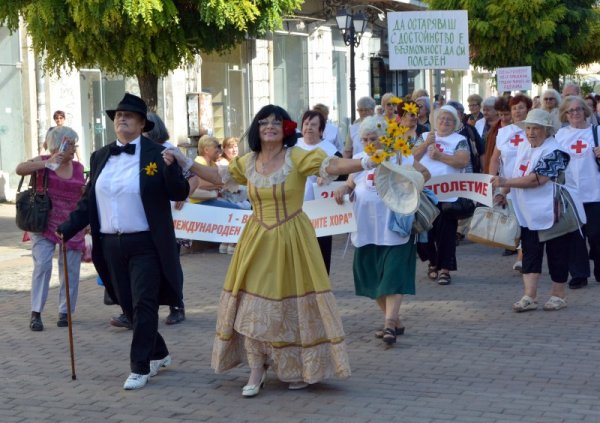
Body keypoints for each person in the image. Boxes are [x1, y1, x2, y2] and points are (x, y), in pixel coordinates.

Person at [166, 104, 381, 397]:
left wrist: (366, 162)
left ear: (286, 129)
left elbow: (332, 166)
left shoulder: (297, 157)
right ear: (257, 128)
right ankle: (257, 366)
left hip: (293, 238)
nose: (269, 126)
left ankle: (295, 366)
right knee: (253, 306)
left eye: (276, 122)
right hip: (256, 240)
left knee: (291, 306)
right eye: (264, 122)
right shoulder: (249, 161)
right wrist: (184, 160)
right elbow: (218, 177)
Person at [57, 93, 190, 390]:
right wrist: (68, 227)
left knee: (144, 304)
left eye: (129, 115)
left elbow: (179, 192)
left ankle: (139, 366)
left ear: (142, 123)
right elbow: (89, 200)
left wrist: (172, 169)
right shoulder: (101, 155)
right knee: (127, 305)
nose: (121, 118)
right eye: (118, 115)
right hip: (110, 244)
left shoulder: (158, 153)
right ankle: (159, 352)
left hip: (146, 243)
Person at [334, 116, 430, 345]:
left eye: (373, 138)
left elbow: (424, 174)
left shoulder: (400, 155)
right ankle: (394, 321)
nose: (369, 143)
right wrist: (341, 190)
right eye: (365, 139)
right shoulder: (358, 161)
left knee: (394, 276)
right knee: (371, 278)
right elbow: (349, 185)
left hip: (395, 227)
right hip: (365, 230)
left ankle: (389, 324)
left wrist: (409, 181)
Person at [491, 109, 583, 312]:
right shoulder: (525, 147)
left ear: (547, 131)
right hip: (528, 211)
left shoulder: (557, 152)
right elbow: (517, 172)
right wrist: (502, 192)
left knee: (557, 253)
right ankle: (529, 296)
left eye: (536, 128)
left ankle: (558, 295)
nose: (531, 132)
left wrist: (506, 181)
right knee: (530, 252)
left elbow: (537, 179)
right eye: (528, 128)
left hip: (555, 211)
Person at [16, 126, 85, 331]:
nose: (74, 148)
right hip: (43, 223)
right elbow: (19, 168)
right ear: (59, 144)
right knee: (43, 266)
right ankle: (36, 312)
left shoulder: (79, 167)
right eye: (70, 143)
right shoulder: (43, 161)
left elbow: (82, 194)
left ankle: (65, 311)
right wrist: (46, 163)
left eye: (74, 144)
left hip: (71, 224)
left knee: (70, 270)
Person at [412, 105, 470, 285]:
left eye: (449, 120)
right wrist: (425, 144)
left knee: (446, 231)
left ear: (455, 123)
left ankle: (445, 268)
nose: (444, 122)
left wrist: (440, 156)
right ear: (435, 121)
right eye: (441, 119)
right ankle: (432, 262)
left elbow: (462, 161)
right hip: (425, 191)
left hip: (448, 193)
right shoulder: (424, 136)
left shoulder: (459, 139)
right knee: (424, 230)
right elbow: (410, 158)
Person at [556, 96, 600, 288]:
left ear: (585, 111)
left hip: (595, 192)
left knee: (596, 234)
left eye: (578, 109)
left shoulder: (597, 132)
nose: (575, 113)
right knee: (575, 236)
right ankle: (579, 274)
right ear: (565, 115)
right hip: (570, 194)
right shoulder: (560, 135)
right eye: (570, 111)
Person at [296, 109, 343, 274]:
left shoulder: (330, 150)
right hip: (297, 205)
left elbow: (343, 173)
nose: (309, 128)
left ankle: (323, 281)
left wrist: (330, 177)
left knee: (321, 244)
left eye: (313, 125)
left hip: (321, 208)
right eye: (306, 124)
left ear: (321, 130)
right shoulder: (293, 146)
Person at [489, 94, 532, 266]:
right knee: (514, 221)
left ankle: (522, 257)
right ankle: (521, 253)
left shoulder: (533, 129)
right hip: (507, 185)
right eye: (514, 108)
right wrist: (493, 181)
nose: (517, 111)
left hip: (528, 183)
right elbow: (494, 159)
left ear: (528, 109)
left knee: (525, 221)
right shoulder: (504, 132)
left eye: (521, 107)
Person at [217, 136, 250, 254]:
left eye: (236, 146)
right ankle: (232, 242)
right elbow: (225, 183)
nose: (234, 150)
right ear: (224, 149)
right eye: (231, 147)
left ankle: (227, 243)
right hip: (227, 197)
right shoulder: (223, 163)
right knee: (242, 209)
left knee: (245, 205)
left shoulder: (236, 161)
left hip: (236, 197)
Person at [483, 96, 512, 174]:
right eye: (501, 114)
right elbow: (492, 157)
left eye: (506, 114)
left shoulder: (518, 130)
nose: (503, 118)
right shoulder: (495, 128)